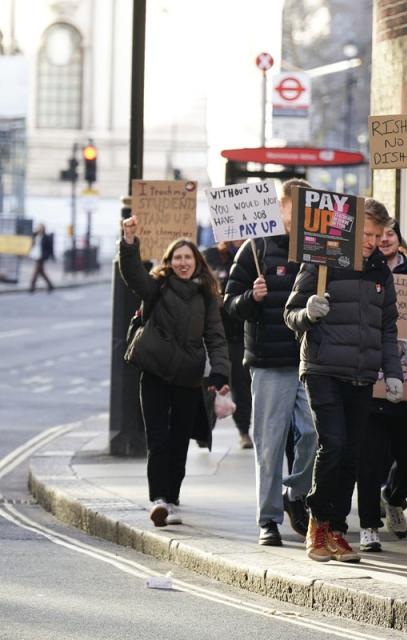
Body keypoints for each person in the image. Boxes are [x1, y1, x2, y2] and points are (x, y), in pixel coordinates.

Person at [284, 198, 403, 563]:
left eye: (378, 235)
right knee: (333, 445)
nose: (371, 241)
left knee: (352, 453)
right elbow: (290, 314)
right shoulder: (322, 260)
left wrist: (394, 373)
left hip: (361, 373)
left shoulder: (381, 270)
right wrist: (308, 312)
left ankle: (336, 529)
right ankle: (316, 521)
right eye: (366, 233)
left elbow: (387, 327)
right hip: (322, 368)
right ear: (351, 228)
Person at [118, 216, 230, 528]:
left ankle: (172, 497)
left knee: (179, 439)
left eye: (188, 258)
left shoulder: (207, 295)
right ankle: (159, 500)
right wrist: (128, 242)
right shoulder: (157, 287)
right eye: (177, 258)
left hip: (188, 377)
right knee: (158, 438)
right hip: (154, 373)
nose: (183, 263)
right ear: (169, 262)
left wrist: (220, 372)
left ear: (197, 262)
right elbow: (131, 274)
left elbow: (216, 337)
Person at [224, 178, 319, 546]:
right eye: (297, 207)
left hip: (308, 359)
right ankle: (268, 519)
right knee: (270, 444)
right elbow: (230, 304)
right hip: (269, 361)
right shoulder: (255, 249)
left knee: (313, 434)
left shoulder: (317, 249)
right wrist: (252, 296)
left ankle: (295, 494)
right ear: (280, 209)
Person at [355, 215, 407, 552]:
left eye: (388, 234)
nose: (383, 240)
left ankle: (394, 497)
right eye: (376, 234)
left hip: (406, 383)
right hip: (370, 380)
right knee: (369, 458)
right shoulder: (364, 272)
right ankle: (369, 524)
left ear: (397, 237)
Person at [204, 240, 253, 450]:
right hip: (214, 333)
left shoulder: (253, 254)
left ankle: (243, 431)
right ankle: (204, 429)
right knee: (210, 384)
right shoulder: (212, 256)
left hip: (238, 333)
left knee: (241, 386)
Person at [29, 224, 55, 293]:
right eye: (38, 227)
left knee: (36, 271)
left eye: (40, 228)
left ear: (43, 229)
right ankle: (50, 285)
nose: (39, 229)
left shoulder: (46, 237)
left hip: (42, 256)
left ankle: (32, 287)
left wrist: (51, 256)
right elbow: (31, 242)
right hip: (36, 255)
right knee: (41, 272)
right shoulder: (35, 236)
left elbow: (50, 248)